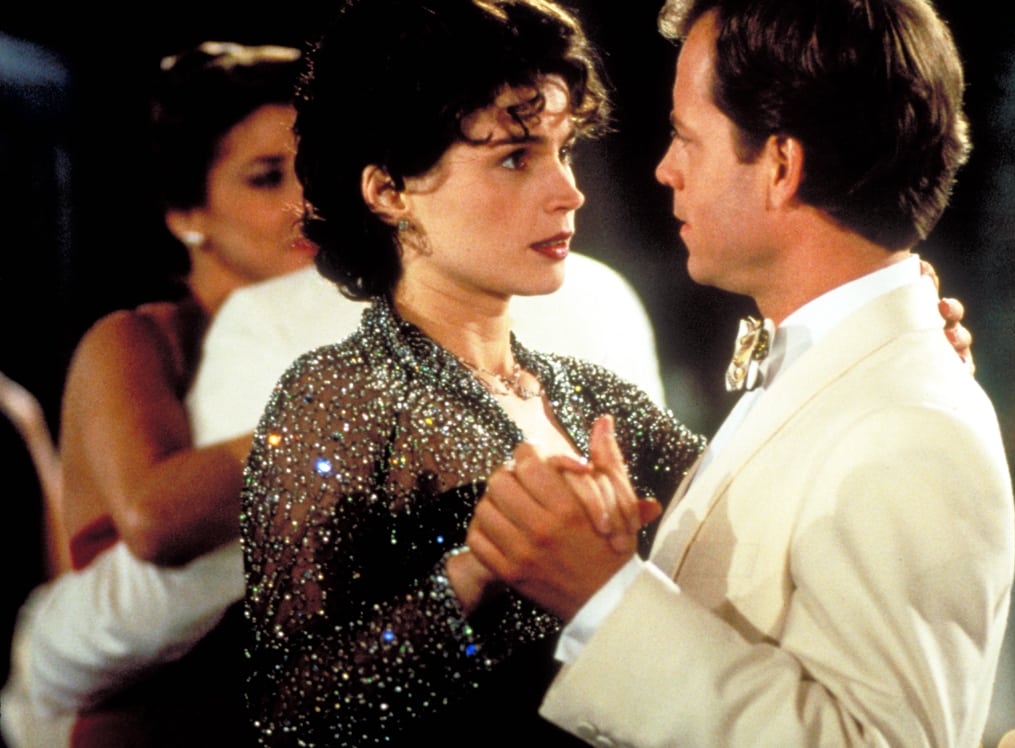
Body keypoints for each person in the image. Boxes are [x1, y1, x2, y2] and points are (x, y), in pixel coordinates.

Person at [466, 0, 1015, 745]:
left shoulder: (908, 424)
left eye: (687, 137)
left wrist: (606, 597)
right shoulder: (839, 369)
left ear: (781, 167)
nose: (666, 169)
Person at [233, 1, 706, 745]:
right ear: (389, 191)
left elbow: (765, 524)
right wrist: (471, 578)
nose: (568, 190)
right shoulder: (338, 395)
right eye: (516, 157)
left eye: (564, 150)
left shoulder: (598, 395)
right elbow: (286, 714)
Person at [3, 41, 312, 748]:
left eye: (319, 170)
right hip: (148, 721)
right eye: (267, 178)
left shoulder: (340, 339)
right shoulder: (137, 342)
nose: (307, 203)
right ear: (187, 212)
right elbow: (155, 524)